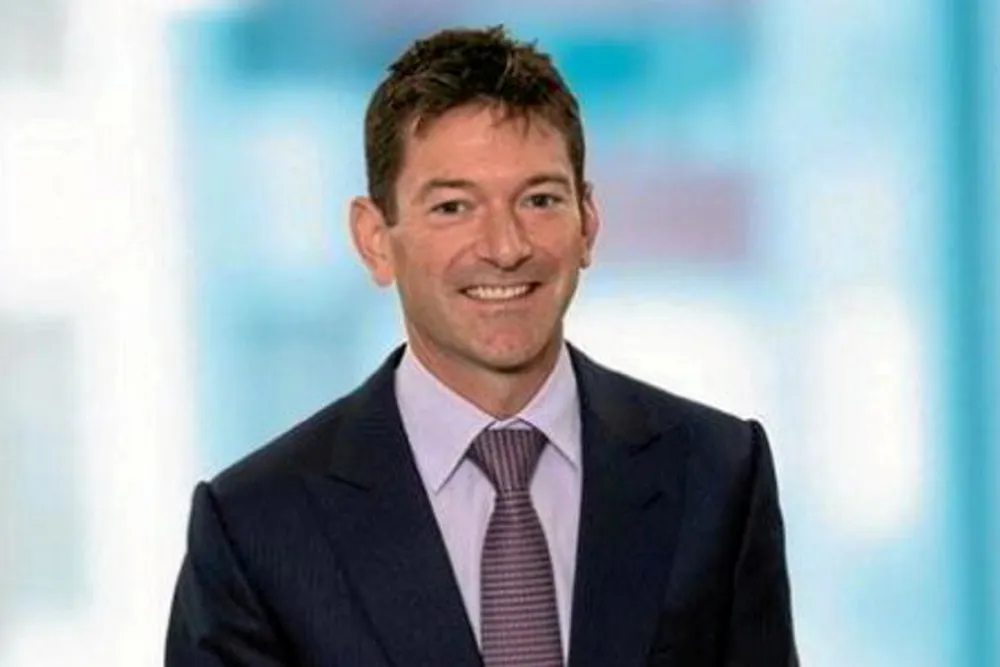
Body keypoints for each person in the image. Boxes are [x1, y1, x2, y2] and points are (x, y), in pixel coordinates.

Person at [166, 25, 797, 667]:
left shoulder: (718, 474)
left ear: (588, 223)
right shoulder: (256, 529)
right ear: (375, 239)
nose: (505, 246)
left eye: (540, 200)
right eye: (453, 207)